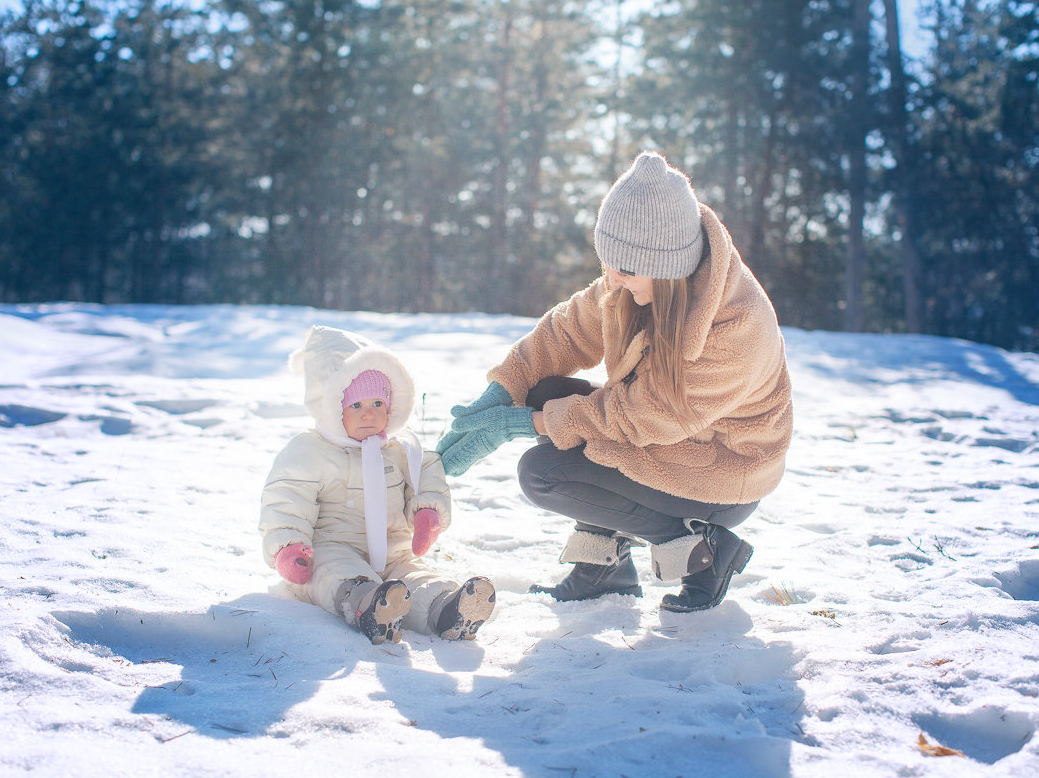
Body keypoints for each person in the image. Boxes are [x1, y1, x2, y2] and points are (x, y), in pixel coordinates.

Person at [437, 151, 792, 613]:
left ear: (666, 267)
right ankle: (606, 570)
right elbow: (564, 332)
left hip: (721, 472)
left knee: (544, 474)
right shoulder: (636, 279)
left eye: (624, 270)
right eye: (608, 264)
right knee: (545, 392)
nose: (612, 279)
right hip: (667, 437)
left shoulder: (734, 328)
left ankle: (706, 551)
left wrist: (522, 425)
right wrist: (502, 392)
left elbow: (646, 417)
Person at [260, 325, 495, 644]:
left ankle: (448, 609)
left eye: (377, 404)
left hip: (393, 551)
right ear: (331, 407)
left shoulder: (402, 448)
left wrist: (427, 511)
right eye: (356, 406)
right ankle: (366, 604)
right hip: (331, 548)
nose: (368, 414)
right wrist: (288, 547)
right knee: (335, 574)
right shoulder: (309, 450)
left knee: (415, 577)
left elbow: (427, 473)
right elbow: (286, 498)